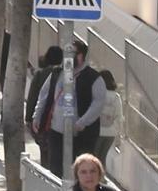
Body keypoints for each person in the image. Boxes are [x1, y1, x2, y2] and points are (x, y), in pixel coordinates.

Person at [31, 39, 106, 178]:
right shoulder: (57, 72)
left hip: (81, 135)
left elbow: (98, 104)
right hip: (57, 131)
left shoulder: (94, 78)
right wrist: (37, 115)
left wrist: (82, 123)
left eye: (73, 53)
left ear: (82, 56)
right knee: (55, 170)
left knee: (79, 172)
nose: (69, 57)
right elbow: (44, 94)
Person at [25, 46, 64, 170]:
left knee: (45, 152)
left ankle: (47, 177)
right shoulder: (66, 73)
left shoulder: (41, 74)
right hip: (60, 120)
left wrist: (29, 118)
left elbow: (33, 96)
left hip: (43, 120)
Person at [95, 69, 124, 168]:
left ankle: (95, 180)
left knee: (94, 157)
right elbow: (119, 117)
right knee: (102, 157)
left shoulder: (96, 95)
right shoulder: (116, 97)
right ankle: (102, 177)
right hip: (110, 133)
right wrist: (116, 130)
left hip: (97, 131)